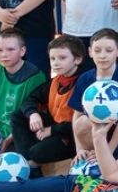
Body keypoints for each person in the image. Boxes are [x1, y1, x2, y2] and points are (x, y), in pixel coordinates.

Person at [69, 28, 118, 161]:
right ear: (90, 52)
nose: (102, 55)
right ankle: (91, 151)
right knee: (82, 122)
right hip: (98, 135)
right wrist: (79, 149)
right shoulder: (85, 79)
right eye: (97, 50)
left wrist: (108, 152)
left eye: (109, 50)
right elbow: (76, 117)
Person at [10, 35, 85, 175]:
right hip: (54, 128)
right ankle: (27, 162)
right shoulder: (55, 81)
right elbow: (29, 100)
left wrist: (52, 130)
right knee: (17, 116)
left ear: (77, 59)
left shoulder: (84, 83)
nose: (56, 63)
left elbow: (83, 124)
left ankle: (29, 164)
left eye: (62, 58)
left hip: (72, 136)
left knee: (37, 152)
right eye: (52, 58)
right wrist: (32, 114)